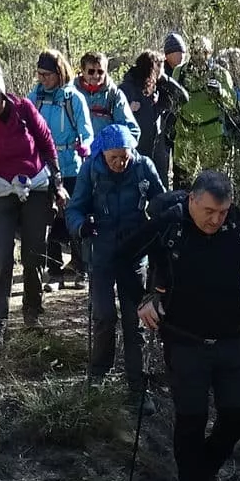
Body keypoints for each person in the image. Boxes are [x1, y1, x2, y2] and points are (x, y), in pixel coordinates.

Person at [138, 170, 240, 481]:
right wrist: (146, 299)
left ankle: (202, 471)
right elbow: (135, 257)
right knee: (191, 419)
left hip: (231, 335)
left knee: (237, 413)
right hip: (184, 338)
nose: (217, 219)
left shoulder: (239, 225)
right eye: (210, 211)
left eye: (223, 212)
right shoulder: (171, 223)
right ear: (193, 200)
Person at [63, 123, 166, 409]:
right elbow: (74, 209)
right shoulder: (91, 170)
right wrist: (81, 226)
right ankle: (98, 374)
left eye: (125, 157)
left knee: (136, 322)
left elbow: (161, 201)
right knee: (104, 317)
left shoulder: (144, 167)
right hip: (102, 252)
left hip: (135, 253)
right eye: (114, 158)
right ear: (103, 154)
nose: (120, 163)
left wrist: (163, 226)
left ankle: (138, 387)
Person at [0, 61, 58, 341]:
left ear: (1, 90)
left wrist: (58, 180)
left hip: (36, 186)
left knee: (33, 254)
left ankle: (32, 313)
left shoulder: (24, 109)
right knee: (1, 257)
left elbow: (46, 142)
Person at [29, 50, 94, 285]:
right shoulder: (33, 97)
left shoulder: (72, 98)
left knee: (75, 216)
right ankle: (54, 270)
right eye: (39, 74)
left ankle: (81, 267)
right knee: (50, 217)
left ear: (59, 73)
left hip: (72, 167)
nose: (42, 79)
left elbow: (86, 132)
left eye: (47, 74)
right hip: (43, 167)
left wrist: (86, 146)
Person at [173, 33, 231, 181]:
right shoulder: (180, 72)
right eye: (196, 52)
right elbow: (171, 99)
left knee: (212, 181)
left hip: (211, 135)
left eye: (204, 52)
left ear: (210, 53)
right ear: (191, 52)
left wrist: (220, 92)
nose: (200, 57)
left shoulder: (220, 74)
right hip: (185, 133)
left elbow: (232, 104)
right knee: (182, 178)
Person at [124, 51, 186, 185]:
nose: (162, 70)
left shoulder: (159, 87)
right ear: (151, 67)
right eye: (160, 66)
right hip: (136, 150)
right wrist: (128, 108)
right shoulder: (127, 88)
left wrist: (164, 78)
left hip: (157, 149)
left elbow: (183, 98)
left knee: (160, 190)